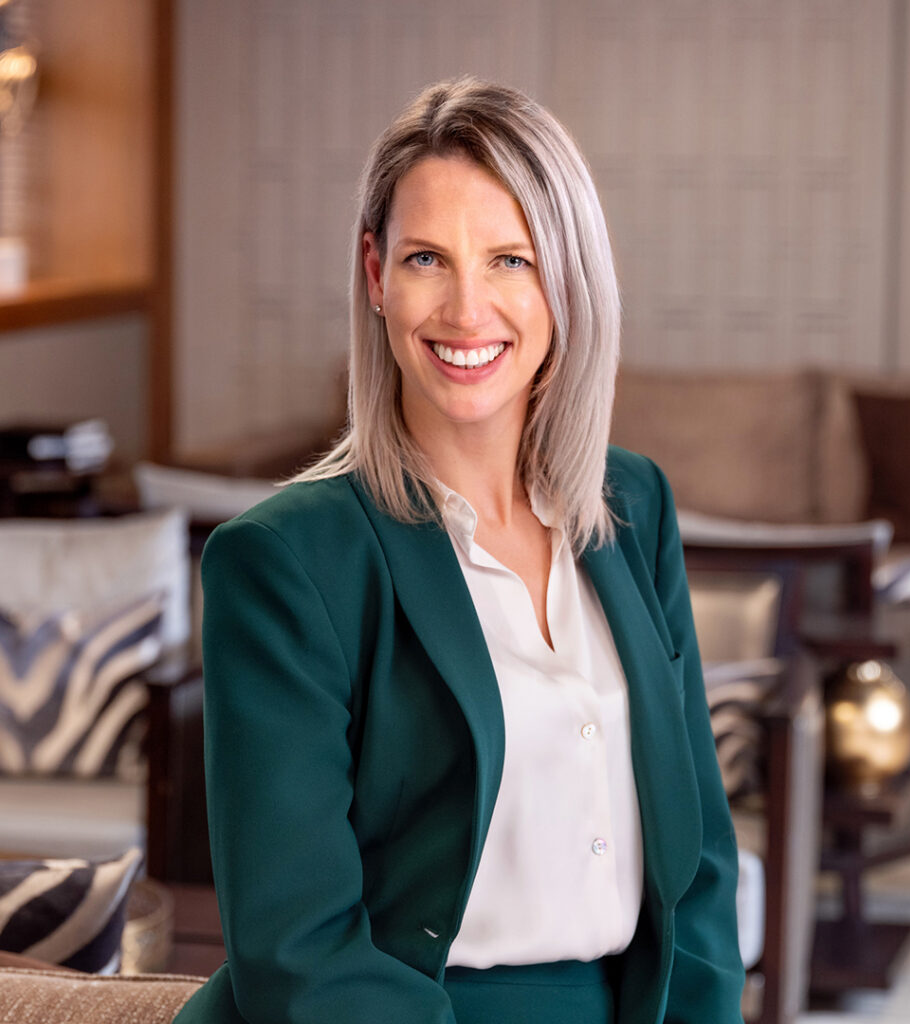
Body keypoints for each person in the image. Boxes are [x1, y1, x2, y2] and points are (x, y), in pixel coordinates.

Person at [174, 77, 744, 1024]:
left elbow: (701, 867)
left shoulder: (632, 506)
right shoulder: (284, 562)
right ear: (375, 275)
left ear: (567, 280)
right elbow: (296, 950)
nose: (467, 308)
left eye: (511, 260)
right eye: (427, 259)